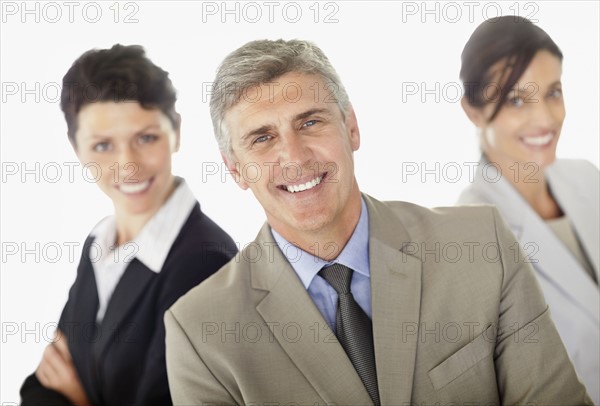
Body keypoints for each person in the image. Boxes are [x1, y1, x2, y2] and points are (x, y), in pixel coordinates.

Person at [164, 39, 592, 404]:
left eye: (310, 122)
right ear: (236, 169)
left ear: (351, 127)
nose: (294, 157)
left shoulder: (482, 246)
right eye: (263, 138)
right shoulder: (200, 333)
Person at [19, 44, 237, 405]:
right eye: (103, 145)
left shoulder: (206, 261)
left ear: (177, 132)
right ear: (76, 150)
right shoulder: (99, 243)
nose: (128, 165)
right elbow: (41, 385)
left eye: (146, 138)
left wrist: (80, 398)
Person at [456, 16, 599, 403]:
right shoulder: (471, 233)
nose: (547, 118)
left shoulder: (587, 178)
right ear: (473, 110)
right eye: (517, 100)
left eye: (553, 92)